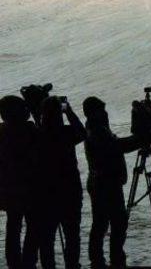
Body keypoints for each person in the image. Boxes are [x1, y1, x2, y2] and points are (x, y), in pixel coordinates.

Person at [82, 96, 151, 269]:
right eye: (101, 110)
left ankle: (102, 260)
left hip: (102, 182)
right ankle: (112, 260)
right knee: (113, 223)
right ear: (94, 112)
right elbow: (118, 146)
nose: (105, 113)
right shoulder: (97, 130)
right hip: (105, 184)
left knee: (102, 223)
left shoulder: (96, 128)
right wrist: (141, 139)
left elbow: (117, 144)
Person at [37, 96, 86, 269]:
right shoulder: (66, 133)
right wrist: (69, 111)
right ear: (60, 113)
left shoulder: (38, 135)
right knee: (72, 235)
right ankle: (72, 265)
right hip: (70, 190)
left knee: (47, 238)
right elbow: (82, 132)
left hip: (47, 193)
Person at [0, 95, 39, 269]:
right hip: (30, 188)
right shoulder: (29, 129)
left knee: (13, 229)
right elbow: (44, 136)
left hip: (8, 190)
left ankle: (14, 265)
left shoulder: (2, 131)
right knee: (32, 228)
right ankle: (28, 263)